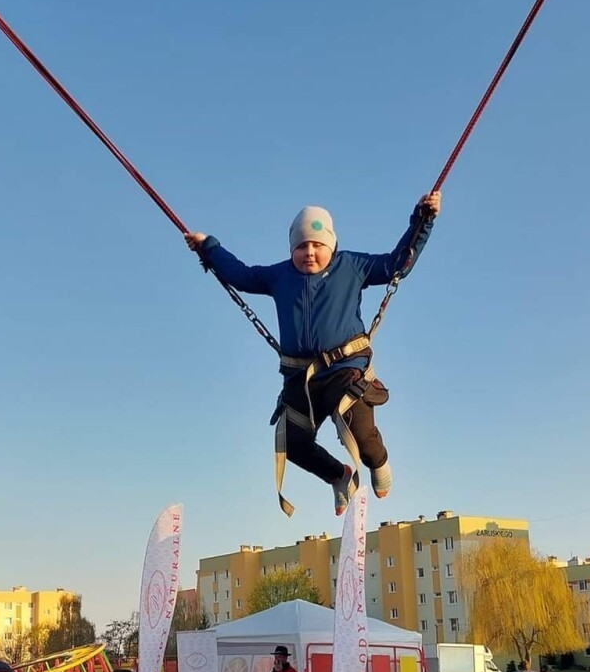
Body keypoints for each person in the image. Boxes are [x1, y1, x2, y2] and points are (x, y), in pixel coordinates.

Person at [185, 193, 440, 514]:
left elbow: (396, 263)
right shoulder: (279, 276)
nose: (309, 252)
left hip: (344, 370)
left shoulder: (352, 266)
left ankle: (379, 462)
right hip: (300, 379)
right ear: (291, 249)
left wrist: (423, 219)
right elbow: (241, 275)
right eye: (301, 246)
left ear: (331, 245)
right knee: (293, 445)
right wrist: (208, 246)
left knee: (360, 434)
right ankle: (339, 476)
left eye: (317, 245)